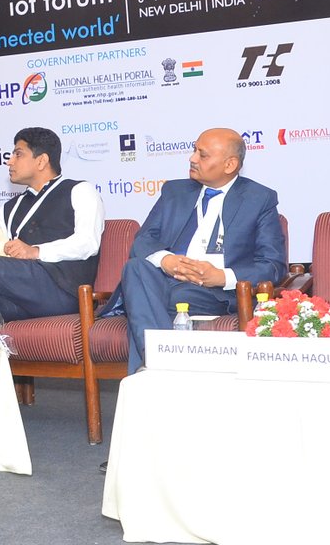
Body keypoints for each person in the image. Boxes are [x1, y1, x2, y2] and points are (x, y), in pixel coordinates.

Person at [104, 127, 286, 372]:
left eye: (203, 154)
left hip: (213, 292)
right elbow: (143, 240)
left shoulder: (259, 198)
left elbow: (273, 265)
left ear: (230, 165)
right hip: (165, 279)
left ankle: (154, 365)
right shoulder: (175, 192)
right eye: (194, 150)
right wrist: (166, 260)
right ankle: (159, 361)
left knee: (148, 300)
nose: (192, 158)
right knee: (135, 267)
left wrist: (221, 276)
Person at [0, 127, 104, 322]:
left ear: (41, 161)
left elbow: (88, 243)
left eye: (18, 154)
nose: (9, 161)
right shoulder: (9, 208)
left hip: (63, 291)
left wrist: (35, 251)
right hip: (19, 295)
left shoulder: (80, 190)